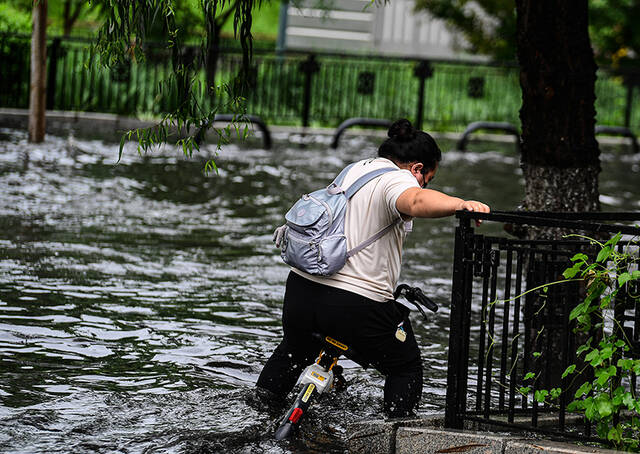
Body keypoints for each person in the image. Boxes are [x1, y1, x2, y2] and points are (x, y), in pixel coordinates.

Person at [256, 118, 490, 417]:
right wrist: (462, 203)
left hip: (301, 292)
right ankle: (395, 433)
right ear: (417, 168)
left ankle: (257, 411)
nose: (425, 184)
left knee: (293, 350)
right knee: (404, 367)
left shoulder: (354, 171)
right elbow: (416, 201)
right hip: (354, 305)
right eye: (428, 178)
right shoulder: (398, 178)